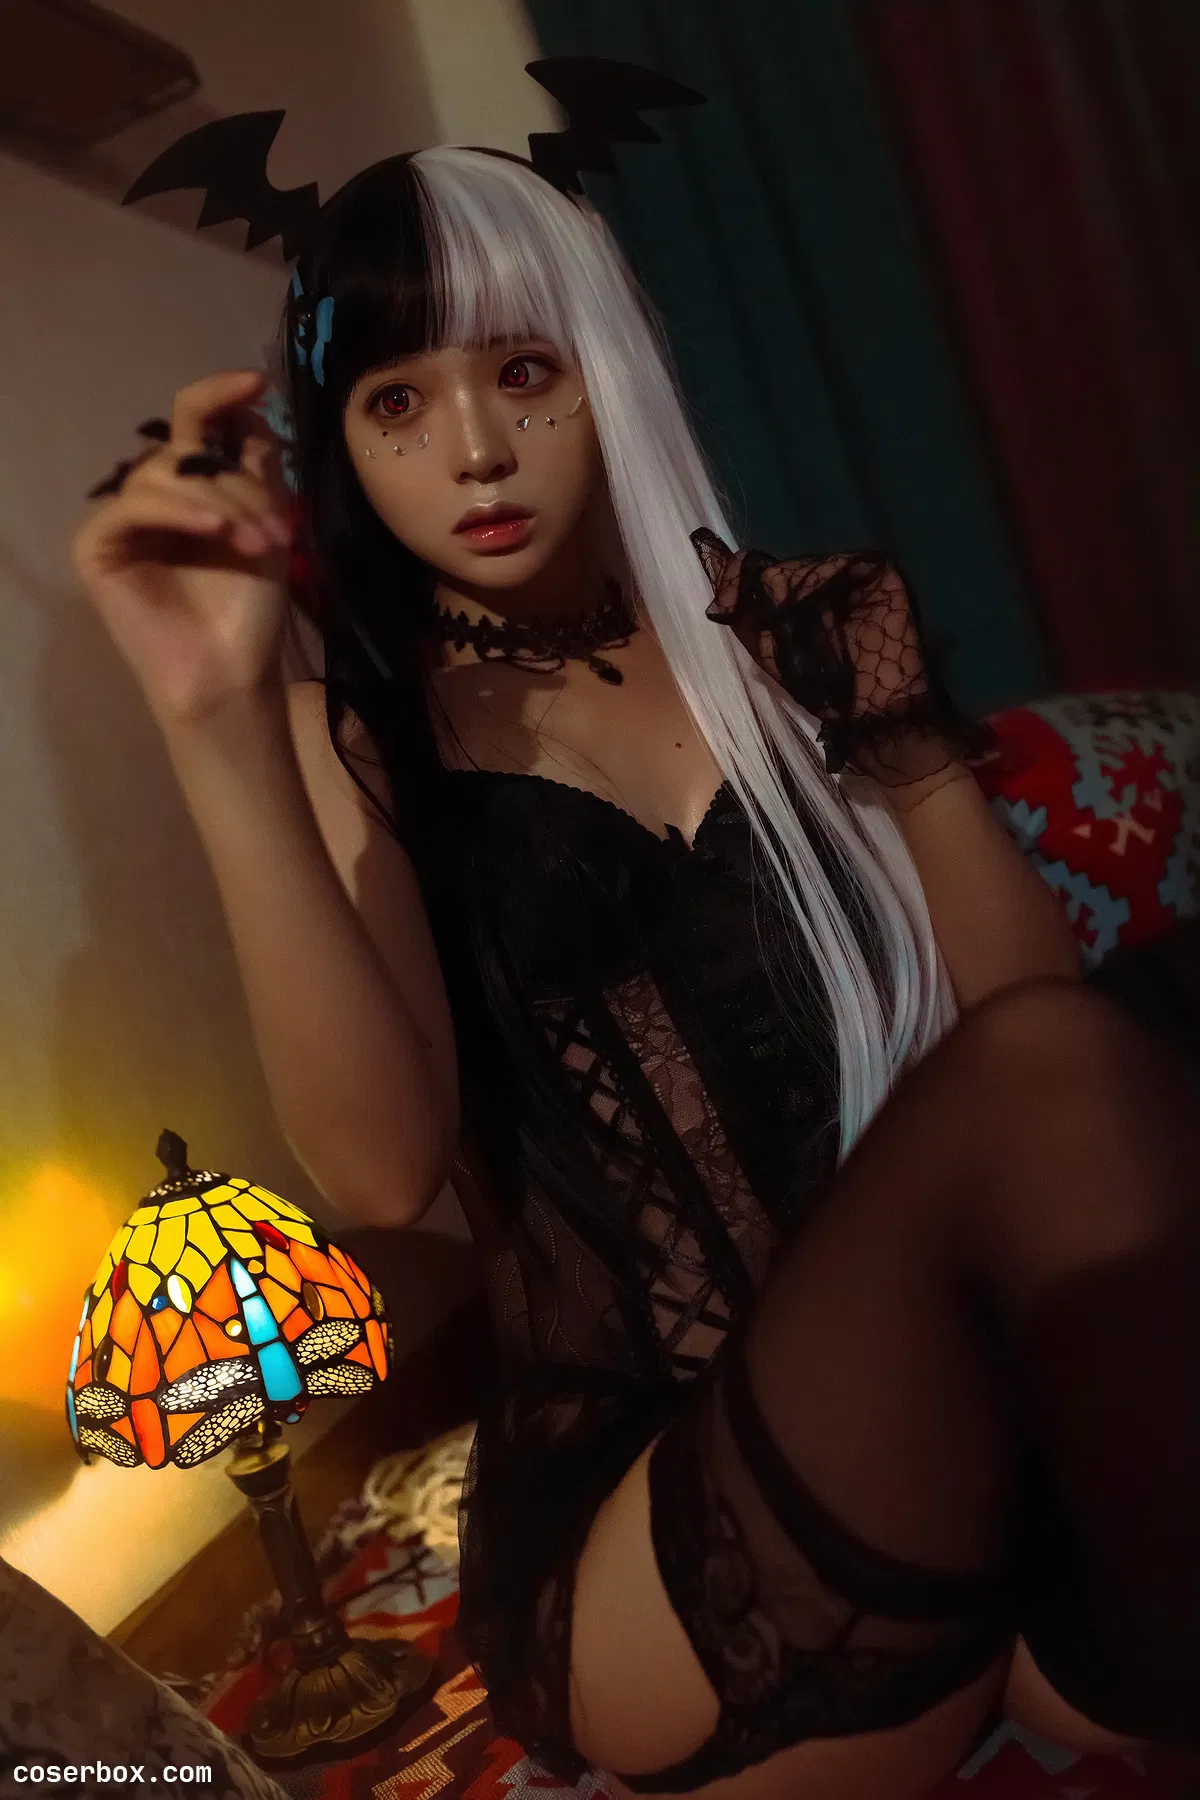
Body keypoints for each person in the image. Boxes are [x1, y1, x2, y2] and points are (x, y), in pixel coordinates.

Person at [72, 143, 1200, 1797]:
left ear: (608, 368)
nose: (474, 448)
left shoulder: (776, 648)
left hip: (939, 1425)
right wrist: (214, 723)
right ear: (343, 448)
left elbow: (1022, 1021)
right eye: (397, 403)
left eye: (524, 373)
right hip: (648, 1532)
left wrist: (906, 748)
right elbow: (378, 1171)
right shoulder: (354, 738)